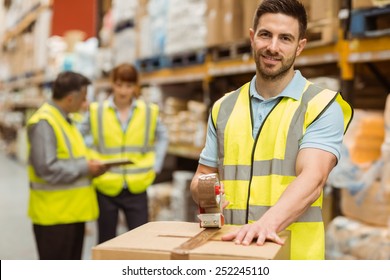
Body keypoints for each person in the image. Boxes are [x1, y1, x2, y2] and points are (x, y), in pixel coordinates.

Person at [190, 0, 353, 260]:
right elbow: (203, 177)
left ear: (300, 46)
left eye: (285, 38)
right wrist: (205, 191)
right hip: (233, 255)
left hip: (292, 258)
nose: (273, 47)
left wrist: (265, 225)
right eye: (266, 35)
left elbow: (313, 179)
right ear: (253, 37)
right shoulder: (224, 107)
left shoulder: (321, 105)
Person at [79, 63, 169, 243]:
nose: (123, 91)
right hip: (106, 184)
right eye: (119, 85)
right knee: (106, 240)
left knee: (140, 241)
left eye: (128, 86)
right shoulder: (97, 110)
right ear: (112, 84)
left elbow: (163, 137)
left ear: (136, 86)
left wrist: (156, 166)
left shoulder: (148, 111)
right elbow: (77, 136)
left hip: (137, 184)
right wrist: (90, 158)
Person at [27, 71, 108, 260]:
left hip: (71, 214)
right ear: (71, 98)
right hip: (54, 217)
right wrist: (85, 168)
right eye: (83, 98)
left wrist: (92, 166)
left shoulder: (66, 120)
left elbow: (73, 156)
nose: (85, 103)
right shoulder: (44, 123)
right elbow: (45, 168)